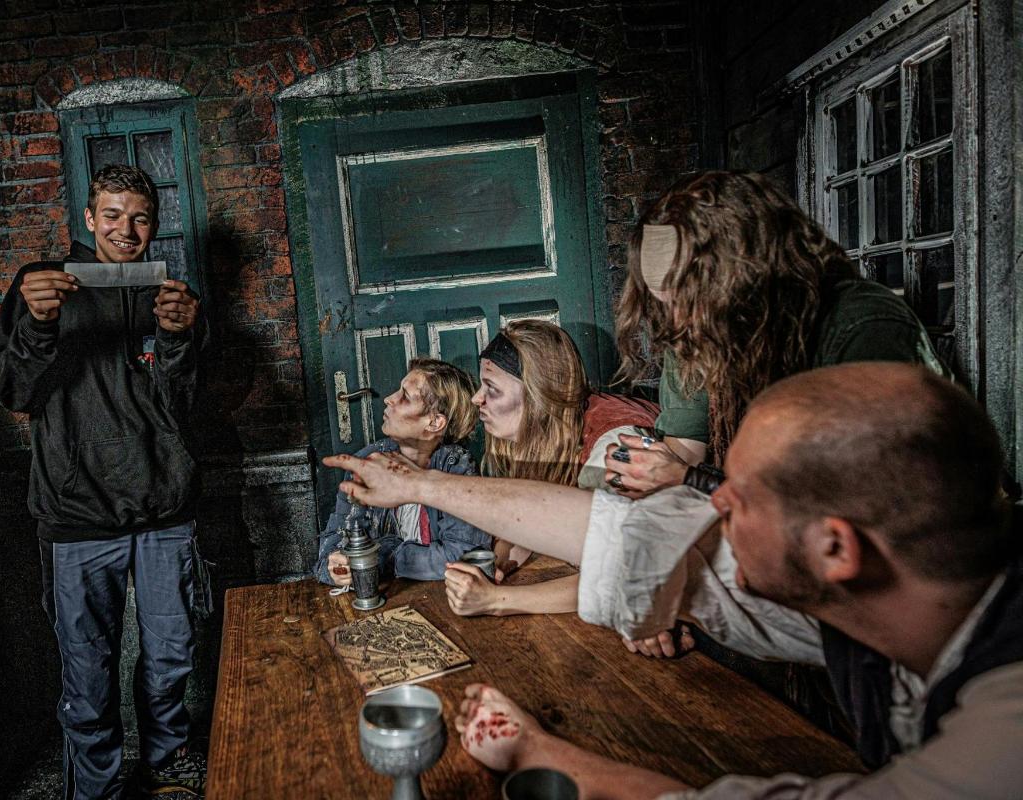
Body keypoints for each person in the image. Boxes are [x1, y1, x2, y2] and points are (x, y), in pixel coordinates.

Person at [331, 363, 1023, 798]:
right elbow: (623, 537)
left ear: (836, 547)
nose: (711, 504)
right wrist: (419, 484)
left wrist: (543, 753)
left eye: (740, 498)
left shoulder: (1002, 745)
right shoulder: (903, 588)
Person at [0, 164, 207, 800]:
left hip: (163, 508)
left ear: (154, 225)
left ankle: (166, 761)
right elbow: (10, 391)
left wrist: (180, 339)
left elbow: (185, 406)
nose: (125, 230)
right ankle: (97, 788)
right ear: (88, 217)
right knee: (87, 671)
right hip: (77, 515)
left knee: (171, 656)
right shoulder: (42, 285)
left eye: (139, 218)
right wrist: (37, 324)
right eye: (111, 215)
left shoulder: (172, 294)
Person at [603, 170, 947, 500]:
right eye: (666, 305)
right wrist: (648, 471)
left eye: (692, 302)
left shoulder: (863, 327)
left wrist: (691, 480)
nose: (680, 322)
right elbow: (684, 448)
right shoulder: (695, 328)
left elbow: (861, 498)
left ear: (749, 278)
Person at [442, 319, 658, 617]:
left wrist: (495, 600)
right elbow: (531, 519)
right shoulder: (546, 432)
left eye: (491, 388)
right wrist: (496, 562)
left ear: (539, 396)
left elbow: (620, 575)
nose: (476, 398)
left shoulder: (615, 446)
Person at [314, 357, 489, 585]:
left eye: (405, 396)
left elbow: (462, 556)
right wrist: (335, 566)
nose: (389, 399)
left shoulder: (456, 468)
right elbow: (331, 545)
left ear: (434, 423)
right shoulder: (367, 463)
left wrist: (384, 556)